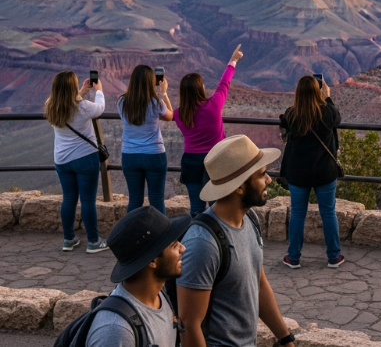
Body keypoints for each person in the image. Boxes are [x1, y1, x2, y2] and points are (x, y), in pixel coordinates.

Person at [176, 135, 296, 347]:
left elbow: (258, 283)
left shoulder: (249, 218)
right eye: (262, 174)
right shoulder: (203, 243)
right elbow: (189, 324)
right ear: (239, 187)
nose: (269, 180)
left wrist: (285, 338)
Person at [86, 206, 190, 346]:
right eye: (174, 245)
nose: (183, 248)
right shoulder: (116, 330)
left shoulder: (160, 294)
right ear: (153, 260)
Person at [279, 75, 344, 269]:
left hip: (298, 174)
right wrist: (328, 97)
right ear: (319, 91)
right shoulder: (327, 112)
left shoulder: (291, 114)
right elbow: (337, 118)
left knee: (298, 214)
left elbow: (283, 124)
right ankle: (334, 256)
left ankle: (294, 257)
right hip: (324, 173)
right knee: (328, 213)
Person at [176, 45, 244, 216]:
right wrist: (233, 60)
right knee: (218, 207)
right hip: (215, 160)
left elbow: (165, 113)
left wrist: (162, 93)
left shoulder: (179, 114)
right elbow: (224, 83)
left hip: (191, 163)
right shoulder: (213, 106)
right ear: (201, 88)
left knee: (196, 209)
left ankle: (195, 240)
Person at [45, 71, 109, 253]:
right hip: (84, 159)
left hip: (62, 160)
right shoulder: (83, 107)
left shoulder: (51, 106)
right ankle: (94, 242)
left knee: (69, 199)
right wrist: (99, 91)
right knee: (88, 200)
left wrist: (82, 91)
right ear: (71, 87)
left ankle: (68, 239)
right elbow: (100, 108)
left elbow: (68, 104)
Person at [118, 65, 173, 215]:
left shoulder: (121, 102)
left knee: (135, 200)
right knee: (156, 199)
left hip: (130, 156)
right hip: (154, 155)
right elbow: (170, 116)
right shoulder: (156, 103)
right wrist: (164, 94)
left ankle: (133, 234)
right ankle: (160, 235)